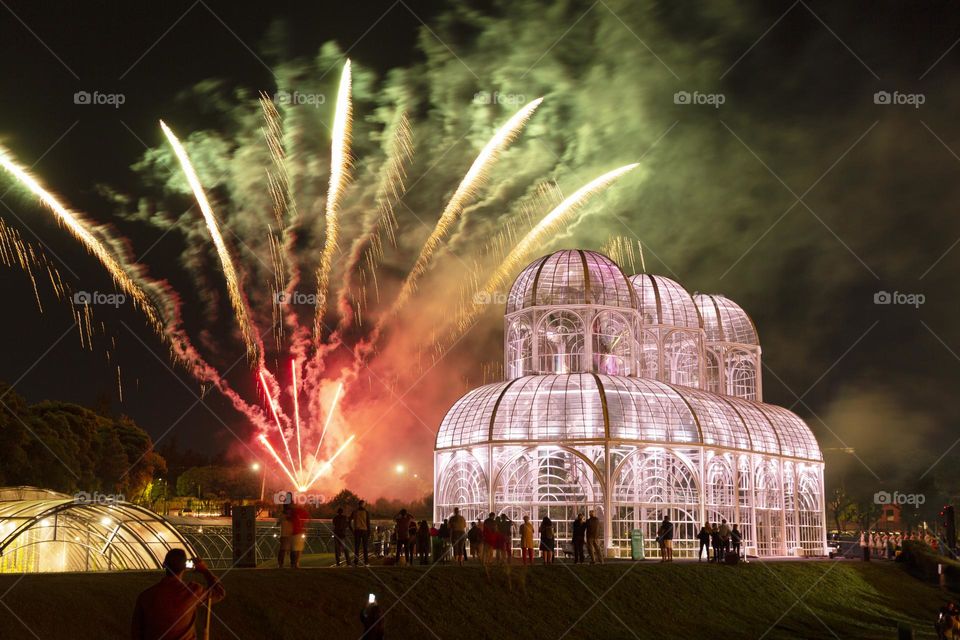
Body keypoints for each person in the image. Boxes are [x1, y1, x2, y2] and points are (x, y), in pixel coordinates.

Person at [131, 549, 225, 640]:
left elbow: (136, 632)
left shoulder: (145, 596)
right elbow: (219, 592)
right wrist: (205, 570)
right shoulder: (193, 591)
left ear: (164, 564)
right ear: (185, 567)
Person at [350, 500, 371, 566]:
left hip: (357, 531)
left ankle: (356, 562)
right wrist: (369, 532)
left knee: (357, 547)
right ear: (363, 504)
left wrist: (352, 530)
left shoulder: (354, 512)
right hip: (364, 530)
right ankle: (366, 562)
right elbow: (368, 523)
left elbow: (349, 521)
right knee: (365, 547)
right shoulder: (366, 512)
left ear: (358, 504)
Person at [288, 501, 309, 568]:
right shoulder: (296, 512)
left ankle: (294, 563)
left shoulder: (291, 513)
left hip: (294, 533)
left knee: (294, 549)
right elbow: (306, 519)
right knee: (297, 549)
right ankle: (295, 563)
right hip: (297, 533)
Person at [277, 502, 293, 568]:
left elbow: (277, 524)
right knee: (284, 550)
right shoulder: (285, 515)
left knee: (284, 550)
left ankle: (282, 564)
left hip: (286, 535)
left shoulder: (283, 515)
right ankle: (282, 564)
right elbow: (278, 523)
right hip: (286, 535)